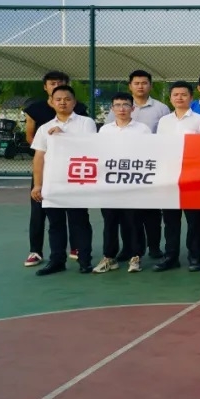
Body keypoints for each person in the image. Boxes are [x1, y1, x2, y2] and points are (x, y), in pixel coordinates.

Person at [23, 70, 90, 266]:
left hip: (75, 174)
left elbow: (89, 145)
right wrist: (40, 179)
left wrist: (63, 139)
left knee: (77, 216)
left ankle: (80, 252)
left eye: (66, 98)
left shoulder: (84, 118)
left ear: (73, 101)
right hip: (49, 174)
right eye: (52, 84)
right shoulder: (39, 116)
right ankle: (38, 252)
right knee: (44, 214)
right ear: (48, 92)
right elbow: (36, 147)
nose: (62, 102)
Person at [103, 69, 170, 262]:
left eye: (144, 83)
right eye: (136, 83)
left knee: (151, 212)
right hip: (122, 171)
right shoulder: (117, 108)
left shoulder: (161, 108)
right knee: (128, 214)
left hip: (148, 167)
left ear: (150, 85)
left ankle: (154, 247)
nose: (140, 86)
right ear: (130, 86)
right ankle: (129, 248)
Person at [155, 81, 200, 272]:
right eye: (176, 95)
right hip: (169, 177)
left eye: (183, 94)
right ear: (170, 98)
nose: (179, 98)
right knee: (170, 220)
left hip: (192, 177)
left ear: (191, 97)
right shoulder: (164, 121)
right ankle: (170, 256)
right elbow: (159, 147)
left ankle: (194, 256)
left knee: (194, 220)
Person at [95, 93, 151, 274]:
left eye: (125, 105)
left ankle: (136, 256)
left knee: (134, 220)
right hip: (110, 184)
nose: (121, 109)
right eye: (117, 105)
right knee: (110, 221)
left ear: (132, 108)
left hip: (133, 182)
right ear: (112, 108)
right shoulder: (105, 130)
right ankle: (109, 257)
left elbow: (149, 153)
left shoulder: (142, 129)